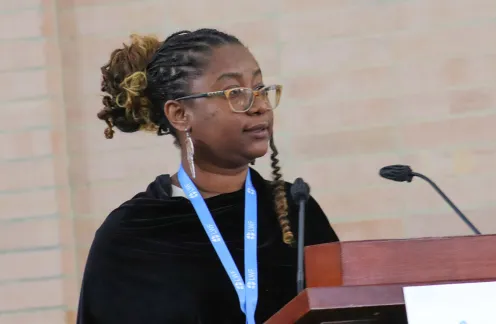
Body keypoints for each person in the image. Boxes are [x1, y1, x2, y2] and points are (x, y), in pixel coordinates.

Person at [76, 28, 339, 324]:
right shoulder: (131, 236)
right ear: (180, 114)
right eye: (235, 93)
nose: (261, 106)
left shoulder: (296, 212)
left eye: (260, 88)